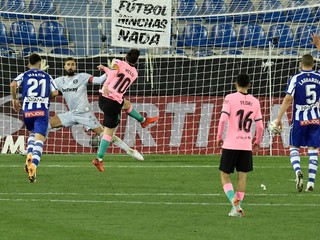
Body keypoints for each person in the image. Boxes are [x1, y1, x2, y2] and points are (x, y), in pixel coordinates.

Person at [50, 57, 157, 161]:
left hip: (85, 114)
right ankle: (34, 152)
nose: (70, 67)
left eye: (72, 64)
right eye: (68, 64)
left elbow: (100, 80)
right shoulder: (59, 81)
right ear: (64, 66)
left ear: (76, 66)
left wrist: (110, 70)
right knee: (47, 124)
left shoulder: (82, 77)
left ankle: (130, 150)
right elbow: (48, 88)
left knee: (106, 134)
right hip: (71, 113)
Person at [216, 73, 264, 217]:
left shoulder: (229, 98)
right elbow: (260, 126)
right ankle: (237, 208)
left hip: (231, 144)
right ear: (250, 85)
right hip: (245, 145)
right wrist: (257, 141)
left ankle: (233, 200)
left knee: (225, 175)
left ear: (235, 84)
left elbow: (223, 119)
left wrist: (219, 136)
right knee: (242, 177)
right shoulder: (255, 102)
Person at [10, 53, 59, 182]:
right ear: (40, 63)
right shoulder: (47, 76)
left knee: (33, 133)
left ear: (28, 64)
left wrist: (14, 100)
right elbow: (55, 92)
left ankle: (29, 155)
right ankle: (34, 165)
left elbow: (13, 85)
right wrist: (44, 98)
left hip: (27, 111)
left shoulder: (25, 74)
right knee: (39, 139)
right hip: (42, 110)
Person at [92, 49, 143, 172]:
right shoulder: (135, 74)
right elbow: (118, 75)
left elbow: (114, 73)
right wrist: (106, 71)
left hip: (103, 99)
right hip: (113, 103)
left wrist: (105, 75)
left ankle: (143, 120)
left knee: (126, 104)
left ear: (125, 56)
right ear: (136, 61)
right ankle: (99, 159)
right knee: (108, 134)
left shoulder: (117, 62)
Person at [275, 54, 320, 192]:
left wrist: (278, 118)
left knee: (294, 147)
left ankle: (298, 171)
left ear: (301, 64)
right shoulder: (319, 77)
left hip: (300, 118)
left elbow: (288, 98)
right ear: (313, 64)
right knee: (313, 149)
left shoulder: (296, 78)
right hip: (315, 118)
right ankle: (311, 184)